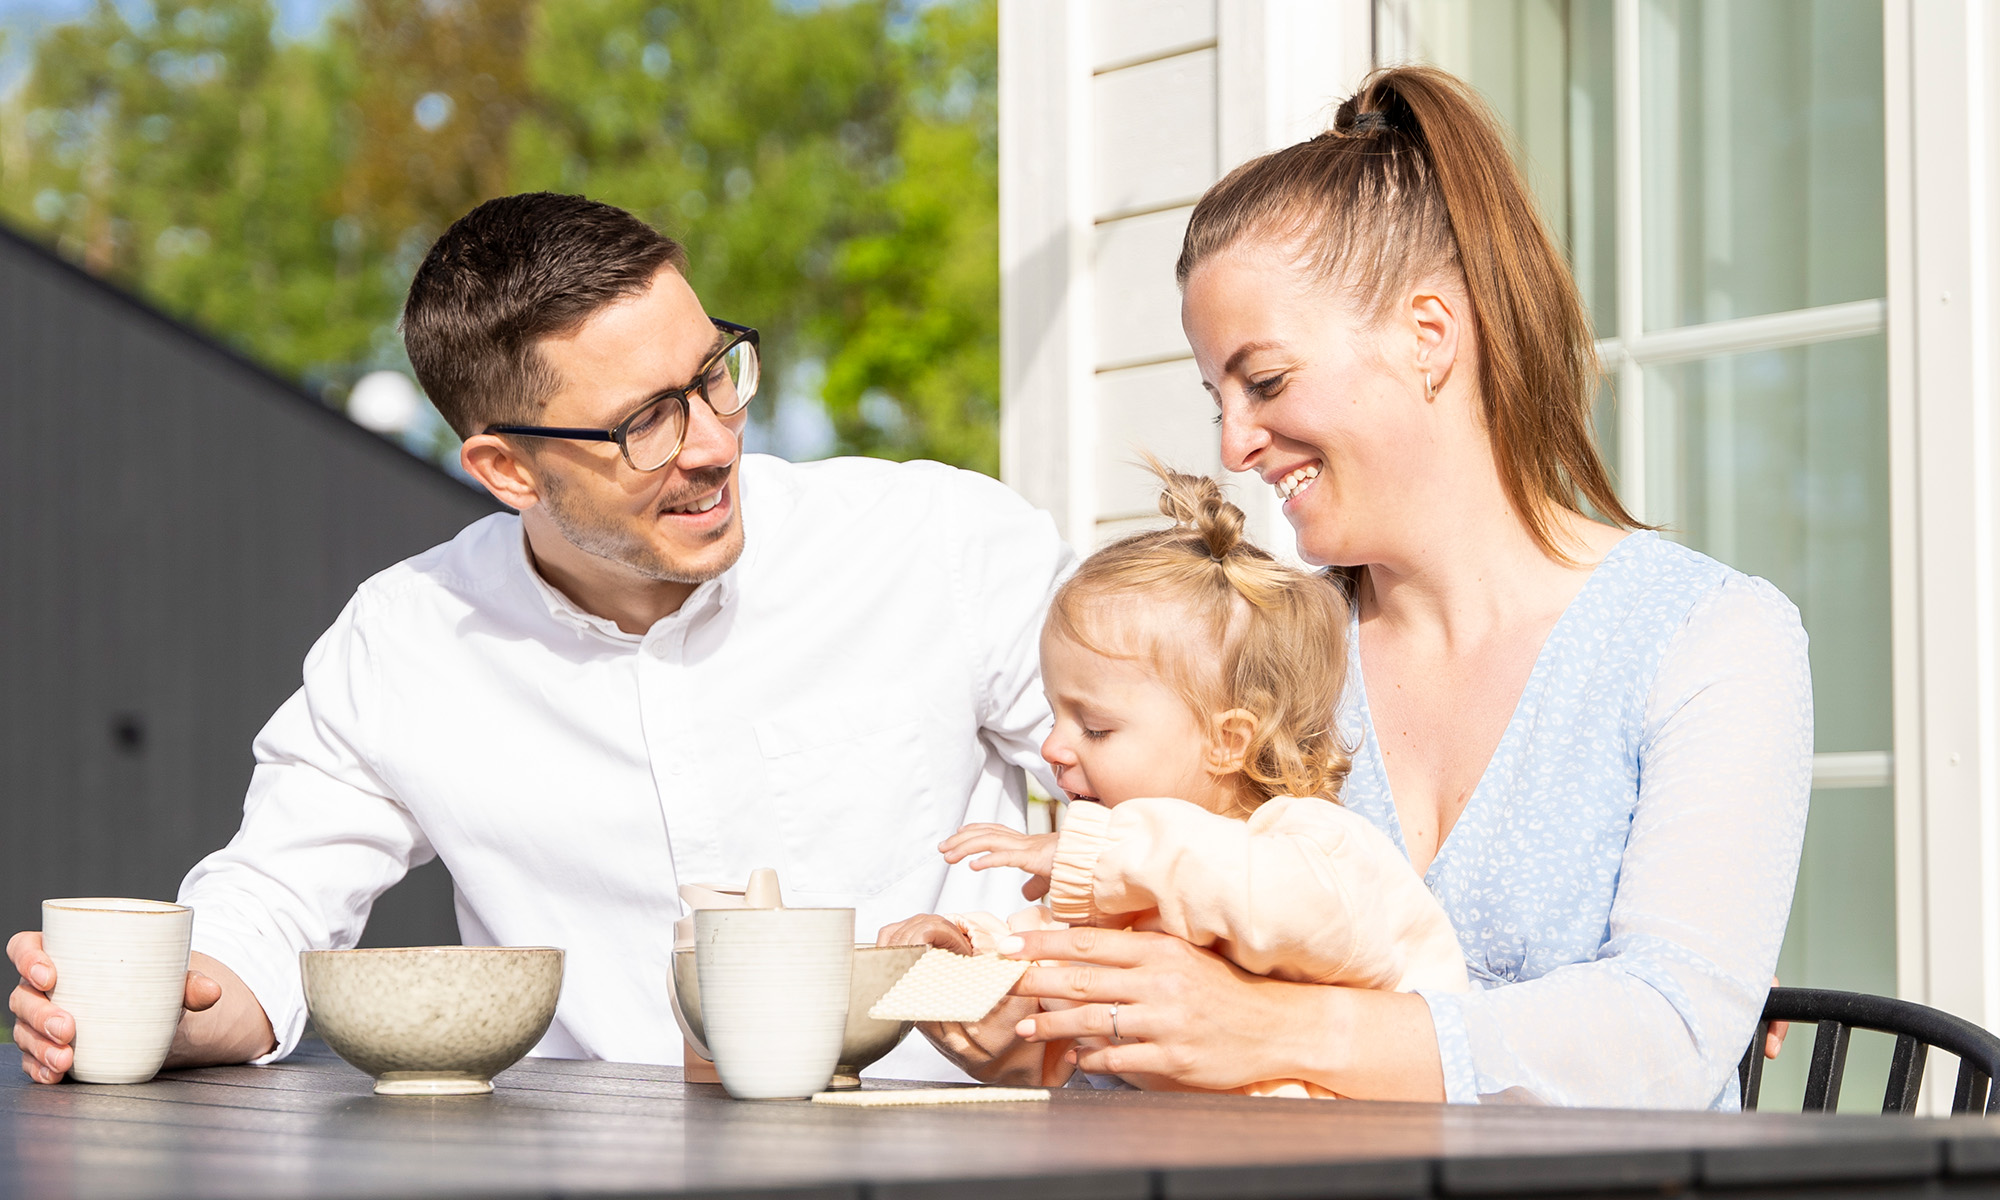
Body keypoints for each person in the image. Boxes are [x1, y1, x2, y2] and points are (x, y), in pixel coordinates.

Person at [9, 192, 1072, 1084]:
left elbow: (1174, 790)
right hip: (586, 1169)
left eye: (715, 374)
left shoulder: (935, 543)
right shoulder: (409, 640)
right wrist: (190, 1006)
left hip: (958, 1152)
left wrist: (1049, 977)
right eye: (644, 422)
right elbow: (275, 898)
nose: (711, 444)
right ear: (506, 471)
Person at [988, 66, 1812, 1109]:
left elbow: (1666, 1033)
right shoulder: (1263, 656)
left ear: (1427, 335)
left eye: (1266, 381)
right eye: (1217, 397)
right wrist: (1026, 1032)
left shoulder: (1708, 639)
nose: (1235, 444)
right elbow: (1161, 985)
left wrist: (1276, 1029)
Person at [883, 466, 1467, 1097]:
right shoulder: (1110, 902)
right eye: (1055, 715)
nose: (1052, 747)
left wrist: (1090, 852)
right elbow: (1045, 1049)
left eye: (1096, 729)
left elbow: (1265, 902)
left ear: (1227, 741)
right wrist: (955, 971)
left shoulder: (1314, 849)